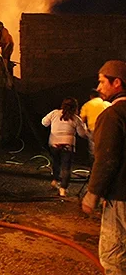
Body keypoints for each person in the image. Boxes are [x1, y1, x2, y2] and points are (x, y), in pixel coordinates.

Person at [81, 60, 126, 274]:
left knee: (113, 255)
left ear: (117, 83)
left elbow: (106, 159)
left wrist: (93, 193)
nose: (99, 88)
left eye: (102, 82)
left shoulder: (112, 116)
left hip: (120, 196)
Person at [41, 97, 87, 197]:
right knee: (66, 167)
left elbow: (44, 122)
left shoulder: (54, 113)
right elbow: (82, 134)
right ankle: (63, 189)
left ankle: (55, 180)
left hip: (54, 143)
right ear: (75, 107)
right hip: (68, 145)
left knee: (56, 162)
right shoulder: (76, 118)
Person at [80, 88, 111, 160]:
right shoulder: (107, 104)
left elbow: (82, 120)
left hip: (93, 130)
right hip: (107, 129)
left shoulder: (87, 105)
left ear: (91, 96)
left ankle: (94, 168)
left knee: (93, 152)